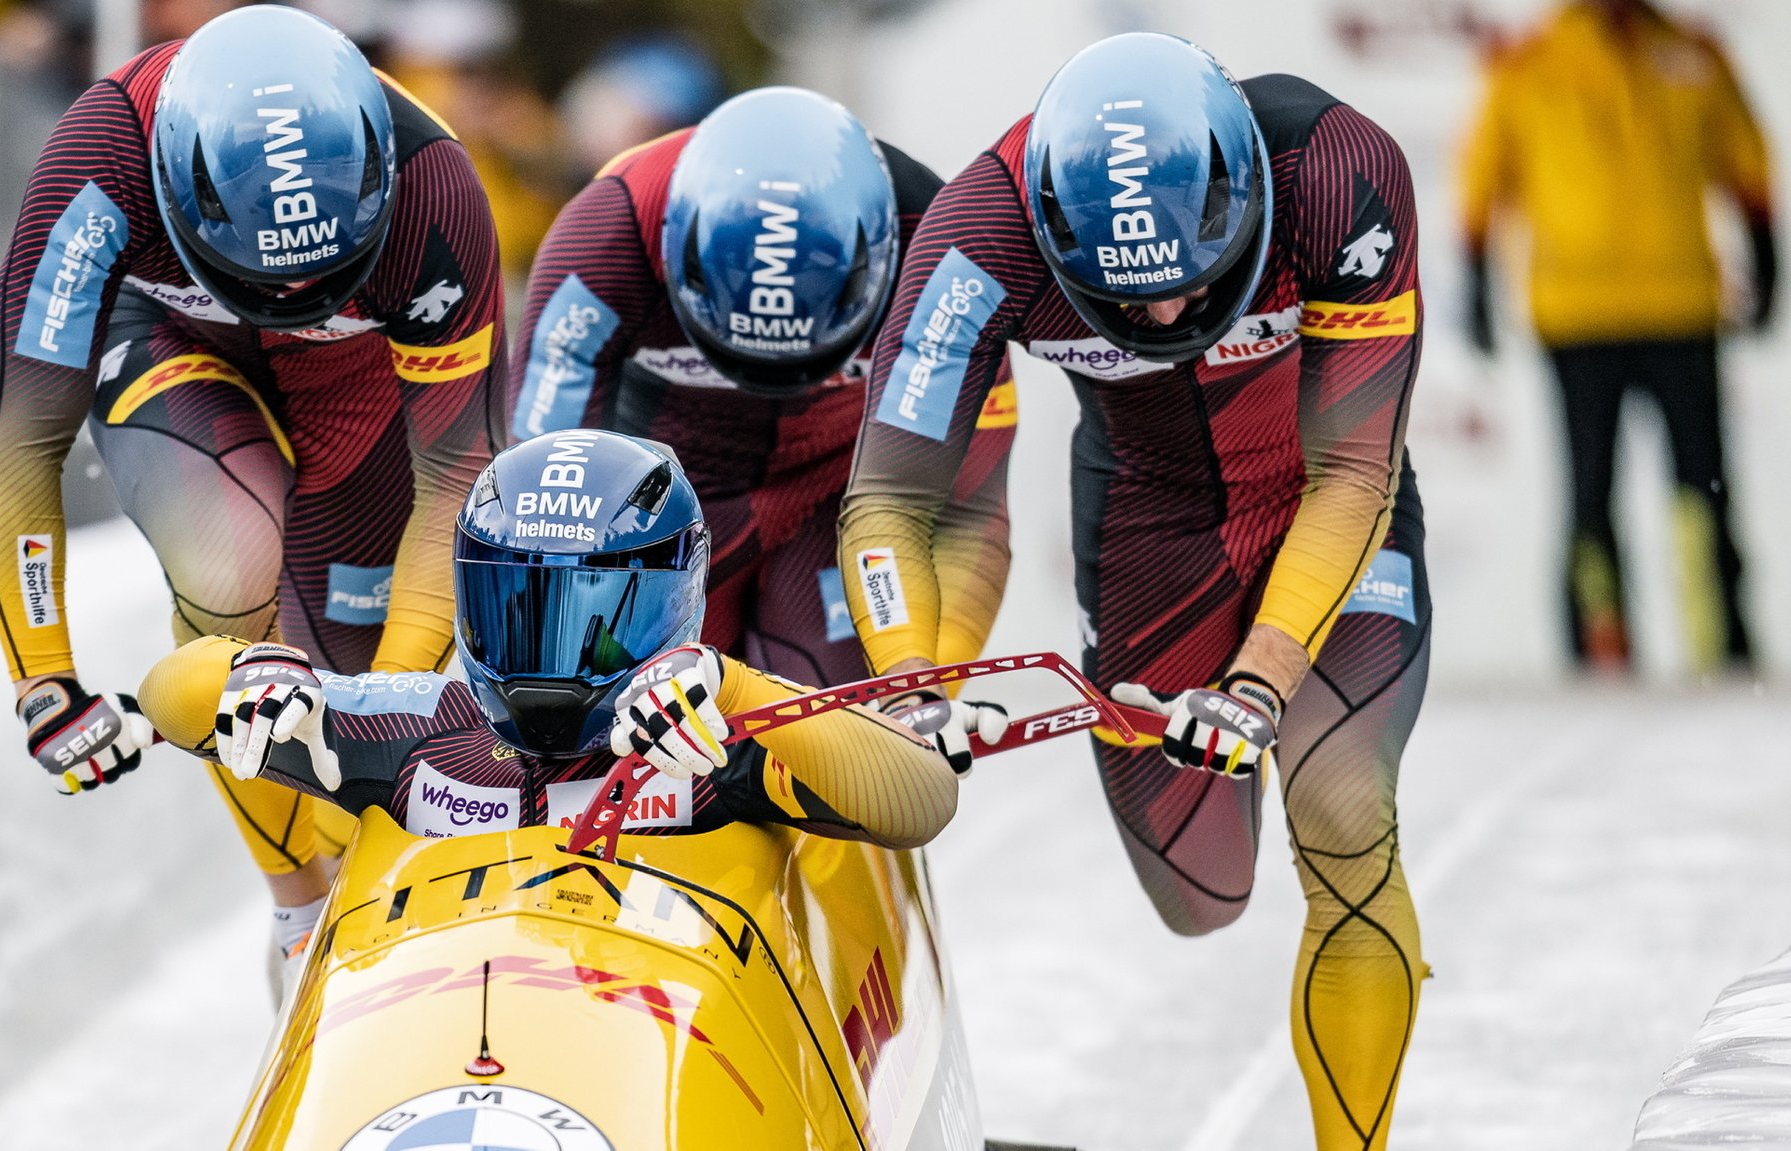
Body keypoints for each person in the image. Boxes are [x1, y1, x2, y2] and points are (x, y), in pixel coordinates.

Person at [840, 33, 1430, 1149]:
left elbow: (1355, 469)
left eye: (1196, 285)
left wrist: (1258, 684)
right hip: (1146, 518)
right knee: (1196, 893)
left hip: (1326, 498)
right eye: (1123, 300)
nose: (1163, 320)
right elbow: (886, 501)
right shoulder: (975, 235)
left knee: (1342, 811)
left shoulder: (1334, 172)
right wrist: (908, 683)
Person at [0, 5, 503, 974]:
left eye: (324, 280)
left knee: (355, 685)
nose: (293, 308)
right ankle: (298, 909)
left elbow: (456, 473)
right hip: (172, 343)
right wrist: (42, 676)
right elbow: (20, 439)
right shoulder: (102, 158)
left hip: (360, 393)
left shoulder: (436, 191)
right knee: (230, 565)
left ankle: (358, 871)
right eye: (264, 282)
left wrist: (385, 699)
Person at [135, 429, 960, 981]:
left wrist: (738, 687)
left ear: (676, 602)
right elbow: (172, 696)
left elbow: (921, 796)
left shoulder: (721, 741)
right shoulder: (413, 728)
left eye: (598, 621)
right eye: (519, 611)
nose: (554, 661)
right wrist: (249, 674)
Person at [508, 86, 1017, 713]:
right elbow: (536, 490)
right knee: (620, 722)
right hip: (666, 500)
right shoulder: (608, 231)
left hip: (843, 493)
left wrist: (920, 683)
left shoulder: (945, 245)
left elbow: (969, 508)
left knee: (850, 771)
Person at [1462, 0, 1774, 675]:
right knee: (1590, 491)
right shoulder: (1531, 63)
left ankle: (1720, 646)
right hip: (1579, 315)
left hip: (1680, 305)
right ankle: (1600, 653)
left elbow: (1746, 158)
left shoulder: (1695, 56)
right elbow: (1486, 170)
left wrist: (1765, 249)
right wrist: (1476, 278)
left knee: (1702, 487)